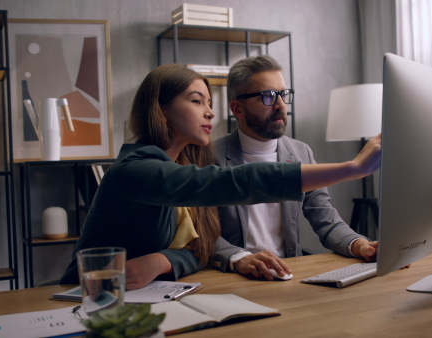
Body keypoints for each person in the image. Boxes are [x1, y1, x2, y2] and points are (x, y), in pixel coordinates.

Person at [60, 63, 381, 290]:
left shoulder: (177, 165)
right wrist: (352, 168)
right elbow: (234, 183)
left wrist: (160, 261)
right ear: (161, 110)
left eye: (209, 103)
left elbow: (195, 247)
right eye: (197, 101)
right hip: (86, 296)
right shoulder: (138, 168)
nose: (210, 112)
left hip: (141, 296)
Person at [212, 55, 378, 280]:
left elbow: (325, 217)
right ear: (237, 109)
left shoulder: (301, 153)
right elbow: (201, 232)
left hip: (288, 272)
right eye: (268, 96)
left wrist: (359, 244)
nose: (281, 105)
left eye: (283, 94)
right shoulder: (210, 157)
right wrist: (238, 257)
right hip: (234, 276)